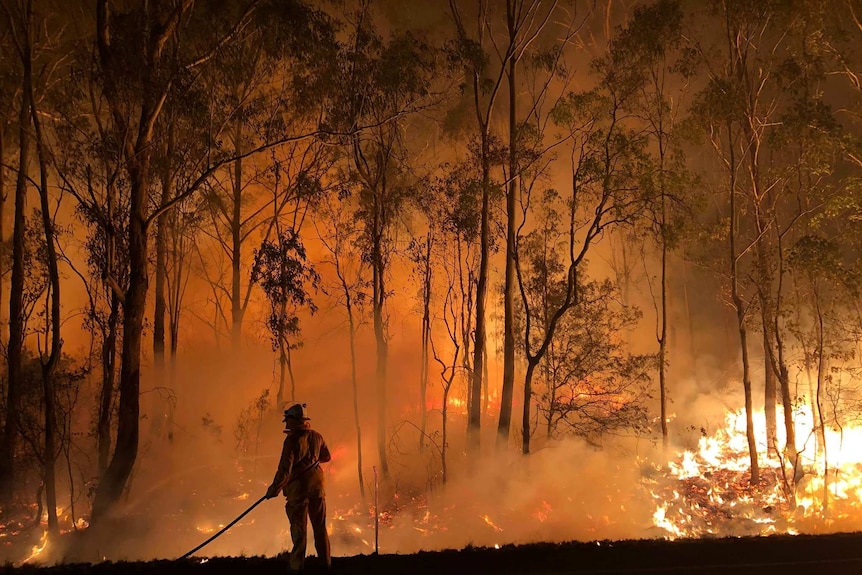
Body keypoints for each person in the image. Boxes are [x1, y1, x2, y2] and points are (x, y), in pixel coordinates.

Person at [266, 402, 332, 573]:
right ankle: (325, 564)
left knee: (299, 530)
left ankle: (296, 566)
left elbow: (284, 469)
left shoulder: (291, 440)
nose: (286, 424)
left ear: (294, 420)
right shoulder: (317, 437)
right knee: (320, 528)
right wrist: (312, 461)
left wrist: (274, 489)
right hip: (318, 488)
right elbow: (326, 456)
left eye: (287, 420)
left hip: (298, 491)